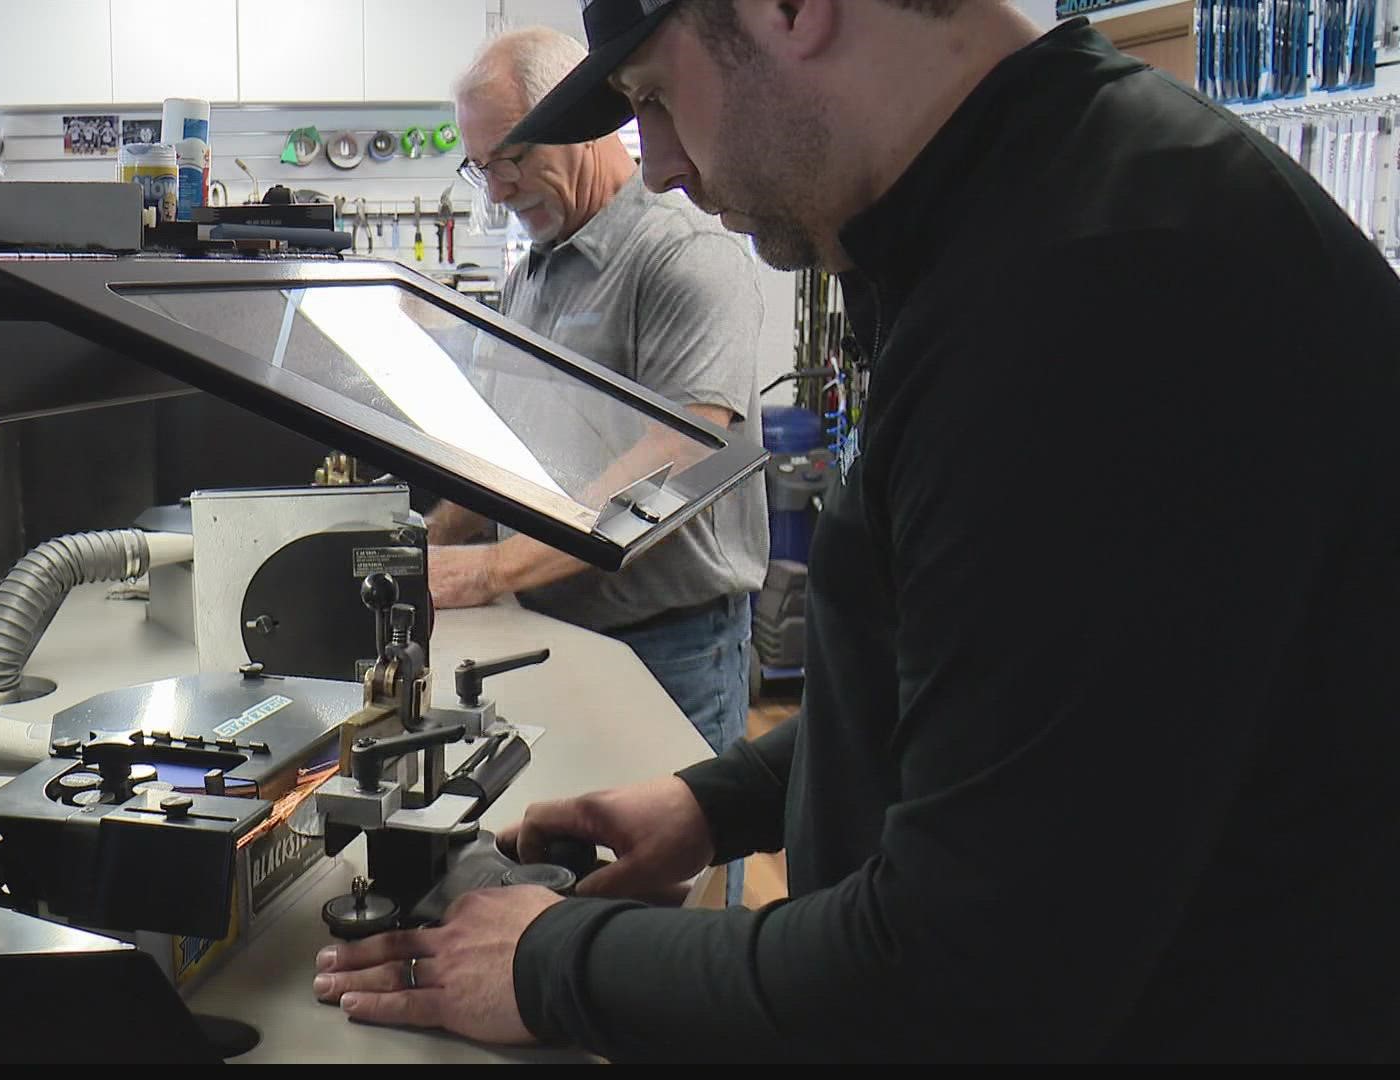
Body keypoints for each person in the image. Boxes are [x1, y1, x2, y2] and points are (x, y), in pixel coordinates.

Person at [313, 0, 1400, 1062]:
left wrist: (554, 961)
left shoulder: (1097, 296)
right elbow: (1011, 708)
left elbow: (964, 980)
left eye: (657, 97)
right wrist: (720, 800)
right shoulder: (1033, 218)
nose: (658, 166)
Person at [429, 28, 775, 836]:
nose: (501, 189)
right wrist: (423, 548)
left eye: (514, 156)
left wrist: (485, 572)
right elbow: (493, 448)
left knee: (676, 895)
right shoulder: (530, 275)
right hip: (555, 628)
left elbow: (681, 456)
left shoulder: (679, 255)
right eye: (483, 168)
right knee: (577, 860)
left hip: (673, 648)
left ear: (581, 120)